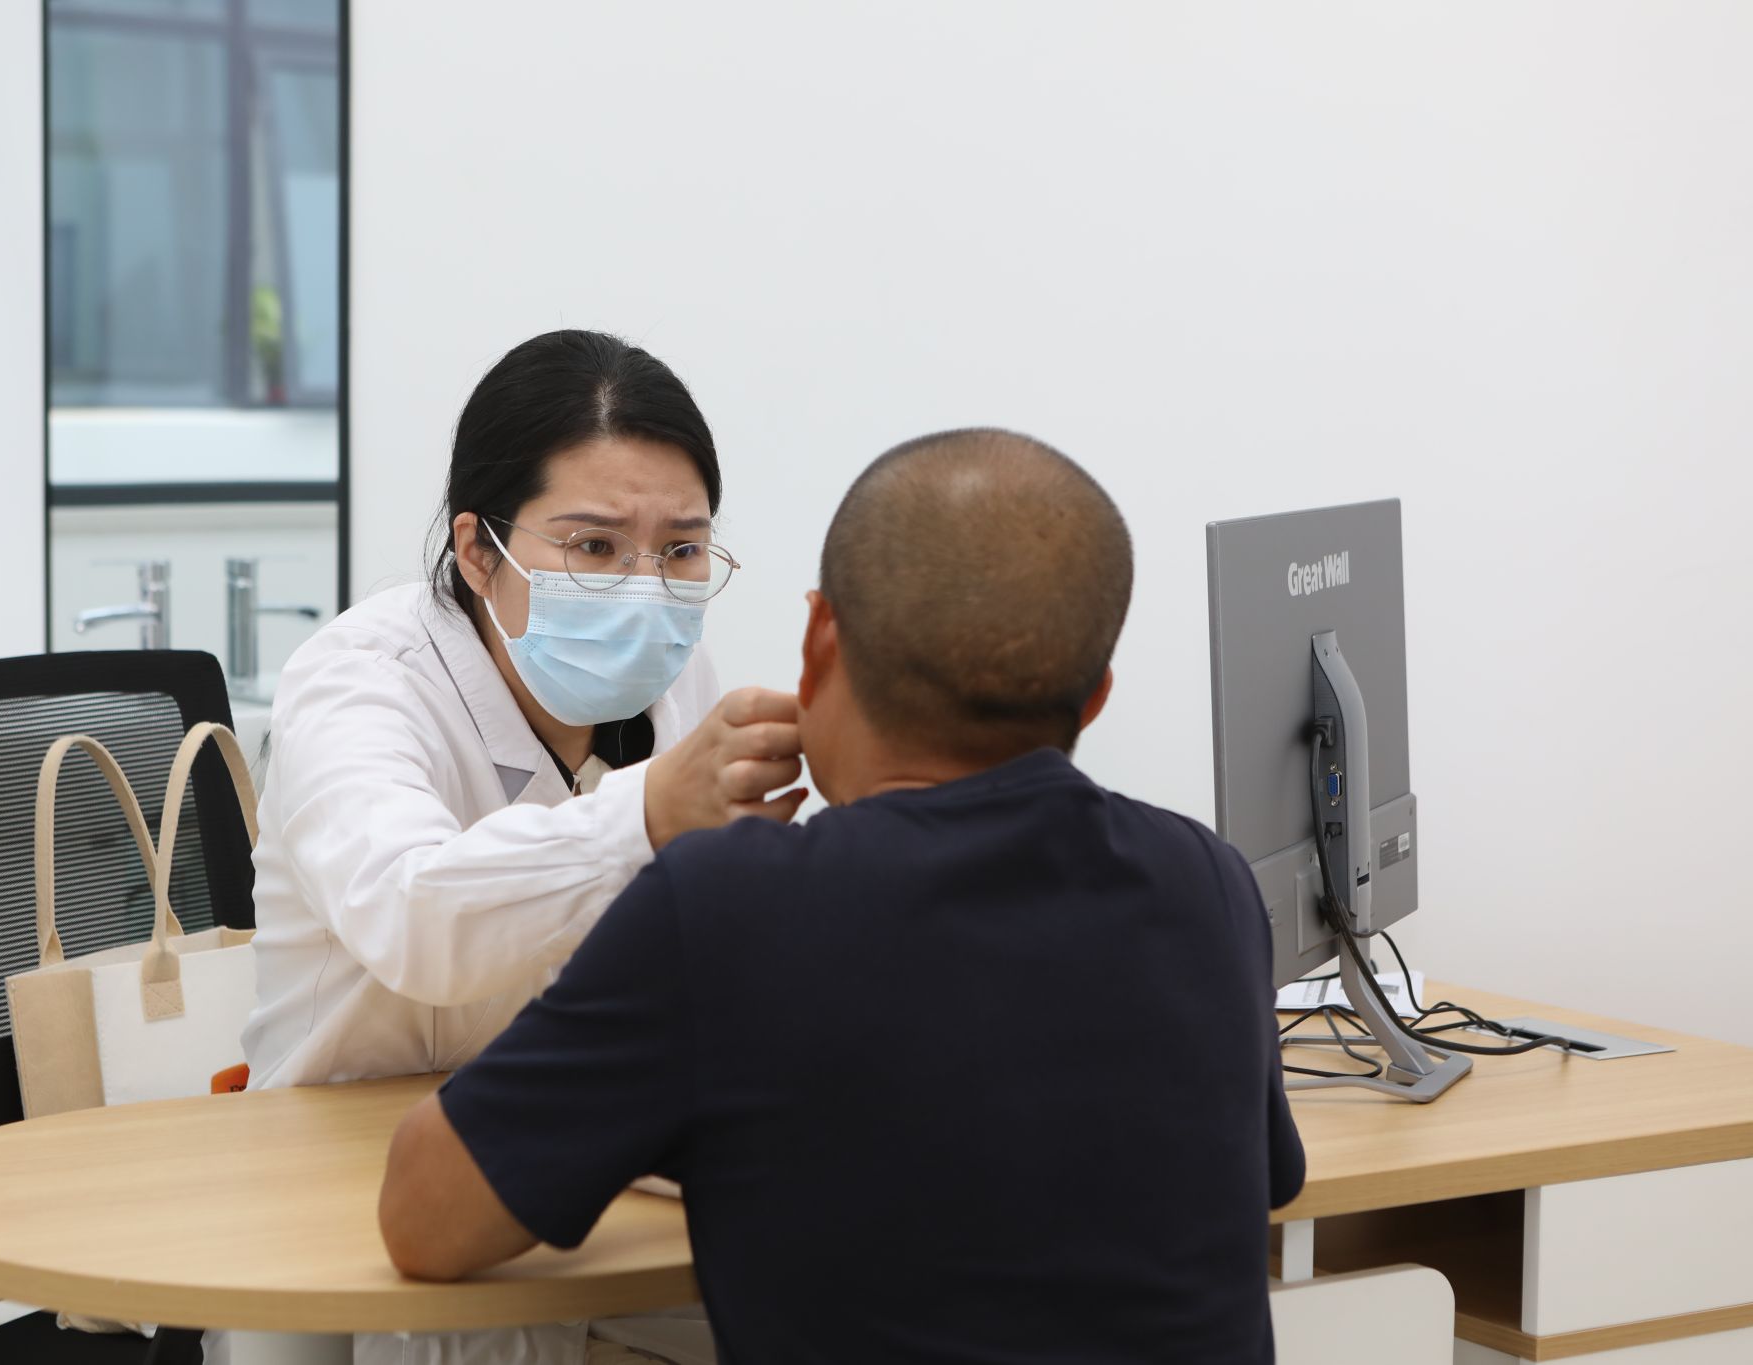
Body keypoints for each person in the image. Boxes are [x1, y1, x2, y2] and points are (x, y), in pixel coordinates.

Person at [376, 428, 1307, 1364]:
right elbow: (1264, 1176)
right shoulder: (1210, 883)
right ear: (1094, 696)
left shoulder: (731, 910)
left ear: (820, 640)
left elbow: (424, 1216)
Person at [223, 331, 804, 1365]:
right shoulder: (358, 681)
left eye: (680, 550)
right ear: (477, 548)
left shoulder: (676, 675)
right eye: (594, 547)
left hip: (558, 1150)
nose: (644, 589)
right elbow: (414, 919)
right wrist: (647, 814)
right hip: (348, 1168)